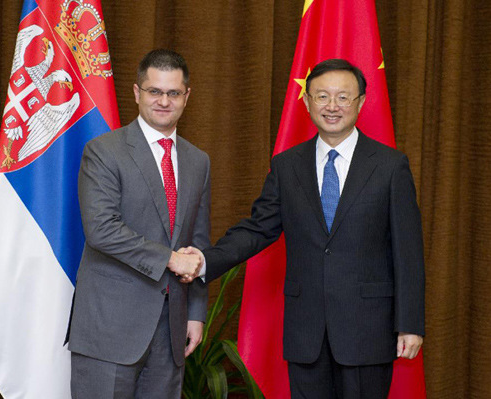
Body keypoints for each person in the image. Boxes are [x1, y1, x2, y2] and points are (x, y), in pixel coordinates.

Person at [182, 59, 425, 398]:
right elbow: (257, 229)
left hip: (366, 330)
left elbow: (408, 252)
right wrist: (205, 261)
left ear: (361, 102)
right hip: (306, 332)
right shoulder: (287, 165)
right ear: (308, 102)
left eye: (343, 97)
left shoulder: (390, 166)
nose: (332, 106)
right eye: (322, 96)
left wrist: (410, 324)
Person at [66, 49, 210, 399]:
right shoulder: (104, 151)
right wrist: (170, 259)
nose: (164, 101)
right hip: (109, 329)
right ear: (136, 93)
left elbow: (198, 241)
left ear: (186, 96)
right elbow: (101, 229)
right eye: (154, 91)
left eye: (173, 93)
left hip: (171, 331)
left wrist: (195, 313)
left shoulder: (198, 161)